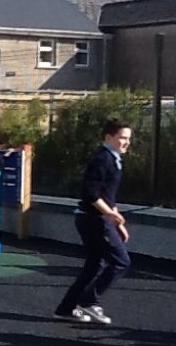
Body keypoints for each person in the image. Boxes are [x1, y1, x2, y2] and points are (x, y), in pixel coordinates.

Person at [54, 118, 133, 325]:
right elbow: (91, 193)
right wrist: (111, 216)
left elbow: (108, 196)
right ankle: (89, 301)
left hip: (94, 218)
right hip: (94, 220)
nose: (126, 142)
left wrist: (118, 223)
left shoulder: (113, 159)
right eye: (122, 138)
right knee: (121, 262)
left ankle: (66, 308)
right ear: (108, 137)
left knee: (93, 266)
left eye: (128, 139)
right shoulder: (102, 159)